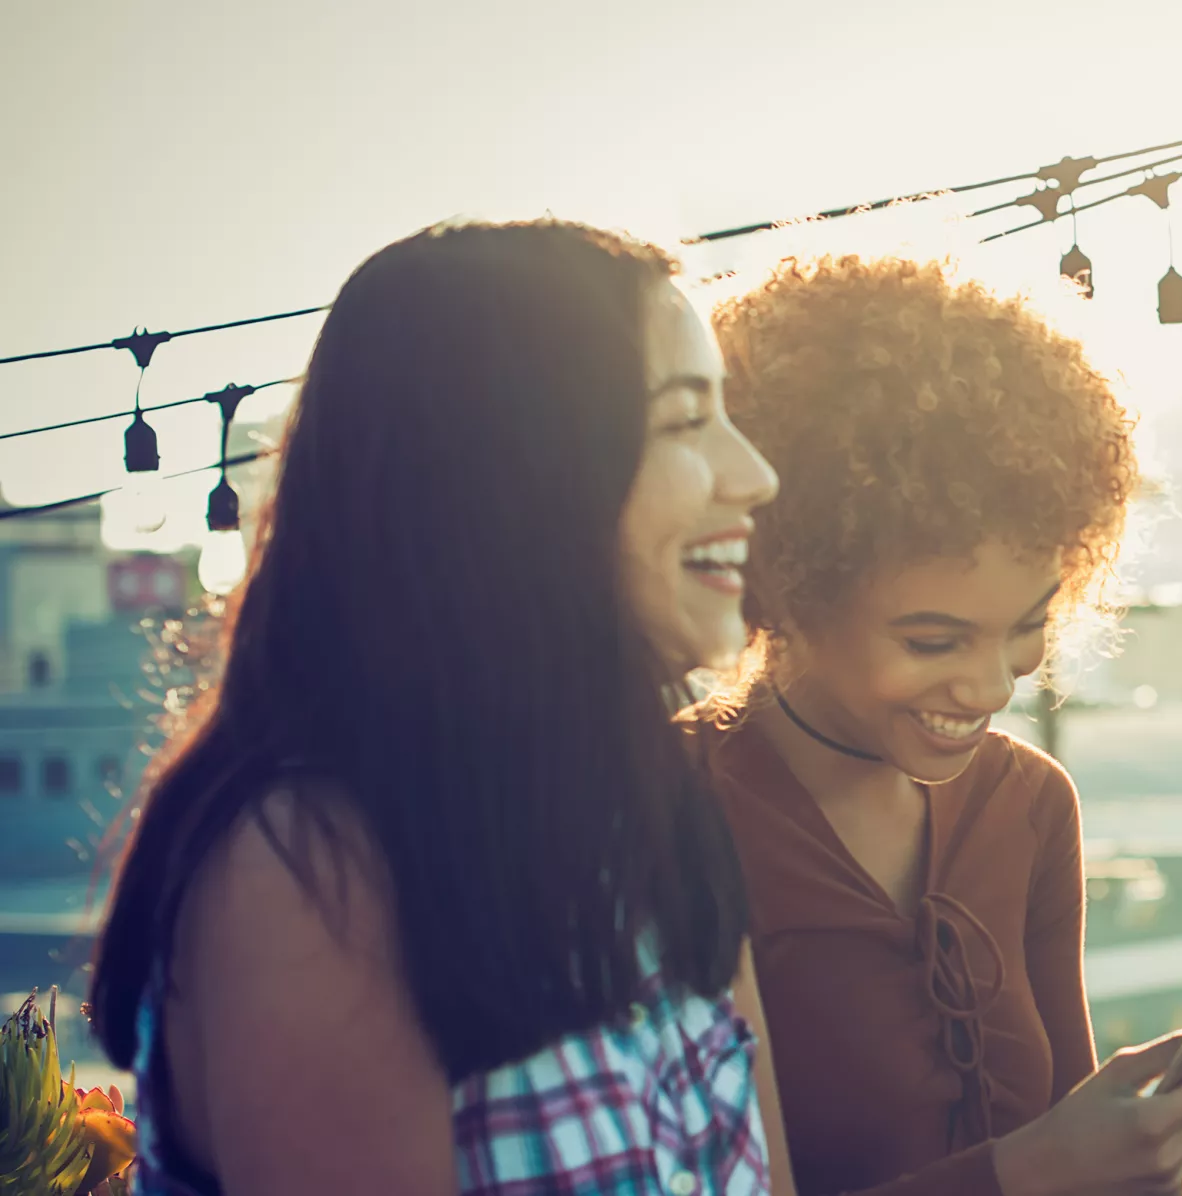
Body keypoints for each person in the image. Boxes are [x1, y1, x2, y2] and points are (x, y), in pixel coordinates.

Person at [90, 219, 793, 1195]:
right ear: (508, 473)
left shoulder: (653, 816)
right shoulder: (311, 870)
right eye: (684, 419)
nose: (755, 473)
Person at [698, 255, 1182, 1196]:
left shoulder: (1030, 803)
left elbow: (1074, 1140)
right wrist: (1034, 1171)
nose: (993, 686)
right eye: (932, 641)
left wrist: (1143, 1151)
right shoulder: (672, 816)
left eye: (1029, 626)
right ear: (788, 590)